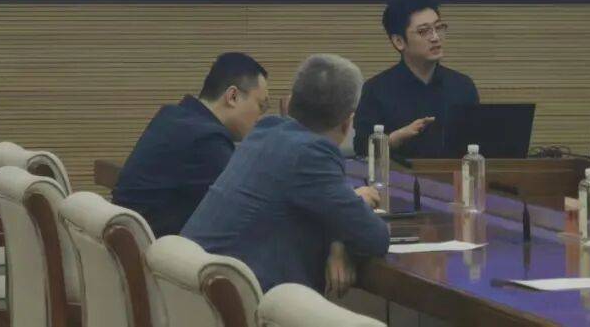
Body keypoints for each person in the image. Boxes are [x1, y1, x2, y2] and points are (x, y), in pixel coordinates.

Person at [182, 54, 389, 294]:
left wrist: (340, 230)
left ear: (290, 104)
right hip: (232, 301)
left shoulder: (265, 131)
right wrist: (344, 229)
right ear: (347, 123)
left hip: (193, 293)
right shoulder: (312, 154)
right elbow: (376, 238)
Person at [113, 52, 269, 237]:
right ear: (233, 96)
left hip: (132, 242)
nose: (261, 117)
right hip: (157, 250)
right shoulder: (208, 141)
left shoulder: (173, 117)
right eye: (261, 106)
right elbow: (248, 206)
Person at [354, 0, 479, 159]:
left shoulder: (462, 86)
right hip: (397, 175)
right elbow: (361, 149)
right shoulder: (376, 90)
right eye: (424, 31)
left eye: (438, 27)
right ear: (399, 41)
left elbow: (477, 144)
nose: (435, 37)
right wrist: (395, 138)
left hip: (454, 174)